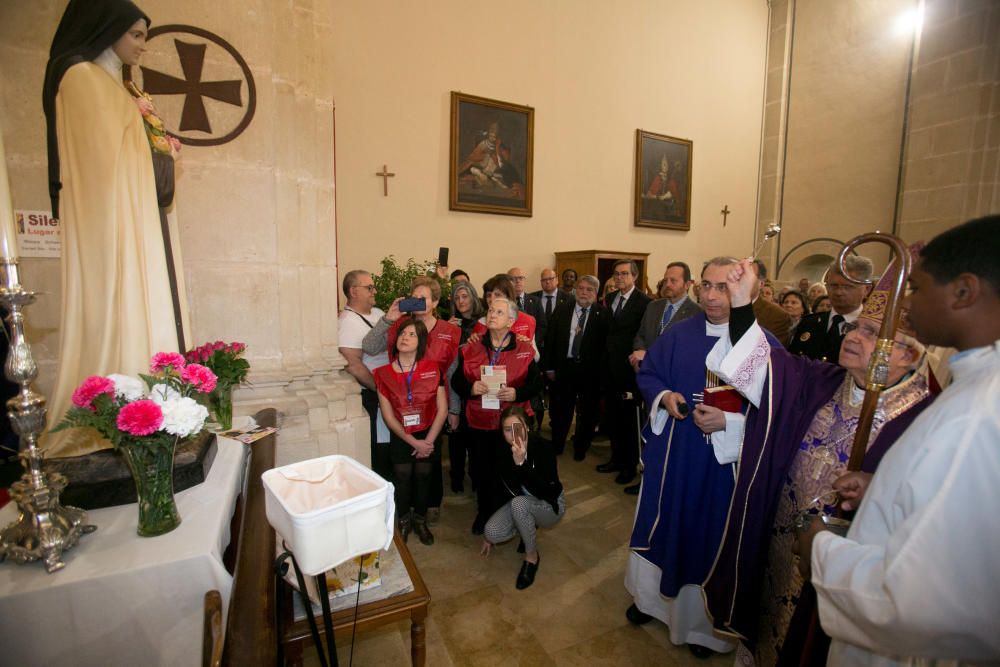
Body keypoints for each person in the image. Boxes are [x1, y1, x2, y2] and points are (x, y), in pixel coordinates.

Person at [700, 253, 935, 665]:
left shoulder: (929, 421)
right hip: (780, 546)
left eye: (873, 333)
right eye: (857, 327)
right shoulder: (822, 381)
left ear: (909, 356)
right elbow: (762, 367)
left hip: (842, 573)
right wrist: (740, 303)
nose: (854, 337)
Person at [796, 216, 1000, 666]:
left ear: (963, 292)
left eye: (919, 289)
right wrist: (880, 488)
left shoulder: (975, 415)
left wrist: (820, 548)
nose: (906, 306)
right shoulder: (977, 389)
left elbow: (913, 603)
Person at [42, 0, 190, 457]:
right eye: (137, 36)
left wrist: (160, 152)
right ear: (106, 30)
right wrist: (159, 154)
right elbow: (101, 164)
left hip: (137, 216)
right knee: (121, 303)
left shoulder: (117, 87)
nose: (143, 46)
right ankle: (118, 415)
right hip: (114, 225)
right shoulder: (82, 78)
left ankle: (152, 409)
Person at [624, 257, 751, 659]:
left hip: (719, 468)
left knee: (705, 532)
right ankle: (650, 602)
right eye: (707, 287)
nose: (712, 297)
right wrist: (666, 397)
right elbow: (650, 374)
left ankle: (702, 625)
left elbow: (774, 408)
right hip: (674, 454)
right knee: (662, 520)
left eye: (723, 289)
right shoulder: (681, 333)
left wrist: (731, 421)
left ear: (744, 292)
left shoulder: (758, 344)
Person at [363, 276, 461, 524]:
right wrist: (389, 318)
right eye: (413, 297)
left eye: (423, 298)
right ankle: (404, 513)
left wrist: (454, 409)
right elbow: (369, 346)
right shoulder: (399, 327)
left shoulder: (451, 331)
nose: (417, 302)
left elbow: (452, 373)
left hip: (435, 408)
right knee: (404, 465)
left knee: (430, 460)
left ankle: (428, 507)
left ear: (436, 301)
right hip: (401, 408)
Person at [452, 297, 542, 535]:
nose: (492, 315)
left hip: (513, 421)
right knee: (482, 470)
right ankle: (484, 513)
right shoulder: (471, 347)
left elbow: (536, 383)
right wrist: (471, 389)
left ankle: (513, 515)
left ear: (511, 321)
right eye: (491, 310)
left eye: (499, 312)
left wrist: (517, 392)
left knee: (511, 470)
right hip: (480, 421)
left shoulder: (524, 349)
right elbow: (456, 381)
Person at [374, 319, 447, 545]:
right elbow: (388, 416)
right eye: (402, 333)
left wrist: (428, 441)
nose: (404, 338)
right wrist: (413, 443)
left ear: (421, 341)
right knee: (403, 477)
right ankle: (403, 520)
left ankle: (420, 520)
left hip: (429, 434)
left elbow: (442, 409)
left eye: (412, 334)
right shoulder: (383, 373)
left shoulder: (433, 369)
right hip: (401, 435)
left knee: (424, 476)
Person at [481, 406, 566, 590]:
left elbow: (548, 492)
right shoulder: (501, 452)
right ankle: (524, 525)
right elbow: (495, 490)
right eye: (506, 430)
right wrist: (488, 535)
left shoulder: (544, 448)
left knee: (520, 505)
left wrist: (521, 464)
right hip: (520, 503)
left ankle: (531, 557)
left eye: (517, 428)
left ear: (527, 427)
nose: (512, 434)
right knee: (492, 532)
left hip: (549, 505)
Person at [596, 260, 652, 486]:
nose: (619, 278)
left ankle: (629, 466)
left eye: (624, 274)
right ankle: (616, 459)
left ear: (634, 276)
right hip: (609, 368)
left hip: (630, 370)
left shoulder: (645, 303)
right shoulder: (610, 299)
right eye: (616, 274)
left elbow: (644, 334)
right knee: (613, 418)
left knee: (629, 421)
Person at [542, 275, 609, 459]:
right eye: (581, 288)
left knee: (587, 413)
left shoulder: (603, 315)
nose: (584, 292)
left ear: (596, 293)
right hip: (564, 368)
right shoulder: (562, 310)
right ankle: (557, 444)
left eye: (589, 289)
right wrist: (549, 367)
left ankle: (581, 446)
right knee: (560, 410)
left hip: (590, 373)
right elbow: (550, 340)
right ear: (575, 290)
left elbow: (605, 348)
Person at [338, 269, 391, 479]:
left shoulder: (378, 313)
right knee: (378, 448)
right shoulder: (347, 323)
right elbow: (352, 364)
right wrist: (379, 389)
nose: (374, 291)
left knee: (389, 446)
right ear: (353, 291)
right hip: (371, 395)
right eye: (369, 287)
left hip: (388, 390)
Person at [790, 256, 873, 361]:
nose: (838, 292)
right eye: (833, 286)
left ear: (866, 289)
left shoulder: (872, 330)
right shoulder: (809, 323)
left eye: (847, 287)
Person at [446, 281, 484, 493]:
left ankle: (476, 476)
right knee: (456, 437)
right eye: (457, 298)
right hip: (456, 387)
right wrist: (448, 332)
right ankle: (456, 477)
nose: (461, 301)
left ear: (473, 297)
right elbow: (445, 361)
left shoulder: (484, 323)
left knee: (476, 438)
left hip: (478, 385)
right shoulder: (451, 325)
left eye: (464, 296)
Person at [631, 261, 701, 371]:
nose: (667, 284)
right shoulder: (653, 306)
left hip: (674, 377)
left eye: (673, 281)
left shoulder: (697, 313)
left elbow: (690, 351)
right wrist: (639, 351)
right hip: (646, 372)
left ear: (687, 285)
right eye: (665, 280)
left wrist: (649, 356)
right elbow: (641, 335)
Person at [751, 259, 794, 345]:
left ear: (761, 284)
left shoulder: (777, 316)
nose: (740, 281)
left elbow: (774, 353)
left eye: (748, 276)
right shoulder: (721, 308)